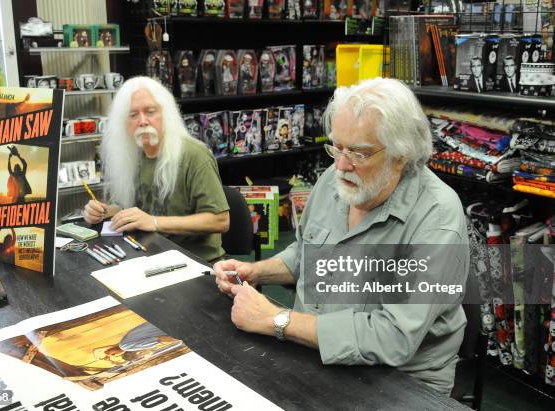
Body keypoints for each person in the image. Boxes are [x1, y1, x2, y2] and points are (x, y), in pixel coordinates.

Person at [213, 78, 469, 395]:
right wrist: (257, 271)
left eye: (359, 152)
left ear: (400, 155)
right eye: (337, 146)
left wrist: (277, 320)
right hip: (310, 352)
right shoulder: (335, 180)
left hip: (398, 382)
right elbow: (308, 251)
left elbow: (394, 337)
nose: (341, 165)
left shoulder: (437, 218)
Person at [83, 76, 230, 262]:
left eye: (150, 112)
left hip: (197, 262)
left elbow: (221, 220)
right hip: (147, 255)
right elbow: (135, 206)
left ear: (165, 114)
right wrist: (103, 212)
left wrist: (153, 221)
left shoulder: (195, 155)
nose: (142, 121)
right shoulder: (133, 156)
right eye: (133, 115)